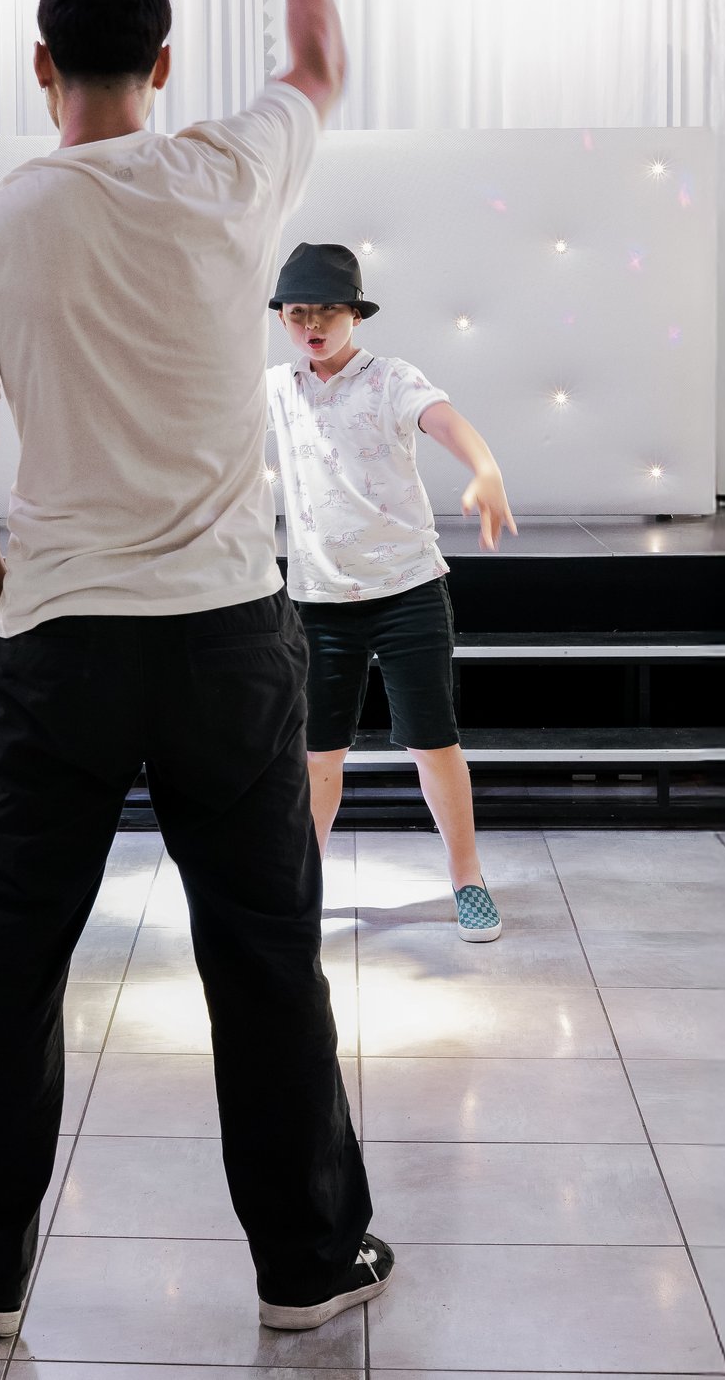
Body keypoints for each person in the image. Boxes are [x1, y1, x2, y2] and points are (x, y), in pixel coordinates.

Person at [0, 0, 387, 1339]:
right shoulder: (231, 169)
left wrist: (14, 595)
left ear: (39, 65)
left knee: (20, 953)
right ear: (163, 65)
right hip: (232, 639)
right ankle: (305, 1265)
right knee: (262, 952)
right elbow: (319, 63)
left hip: (60, 645)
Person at [264, 241, 515, 938]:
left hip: (407, 587)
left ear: (355, 315)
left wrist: (484, 468)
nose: (311, 325)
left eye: (326, 312)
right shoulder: (277, 388)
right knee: (318, 752)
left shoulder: (391, 378)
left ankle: (467, 878)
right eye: (296, 313)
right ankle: (302, 884)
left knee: (433, 742)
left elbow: (445, 421)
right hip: (318, 601)